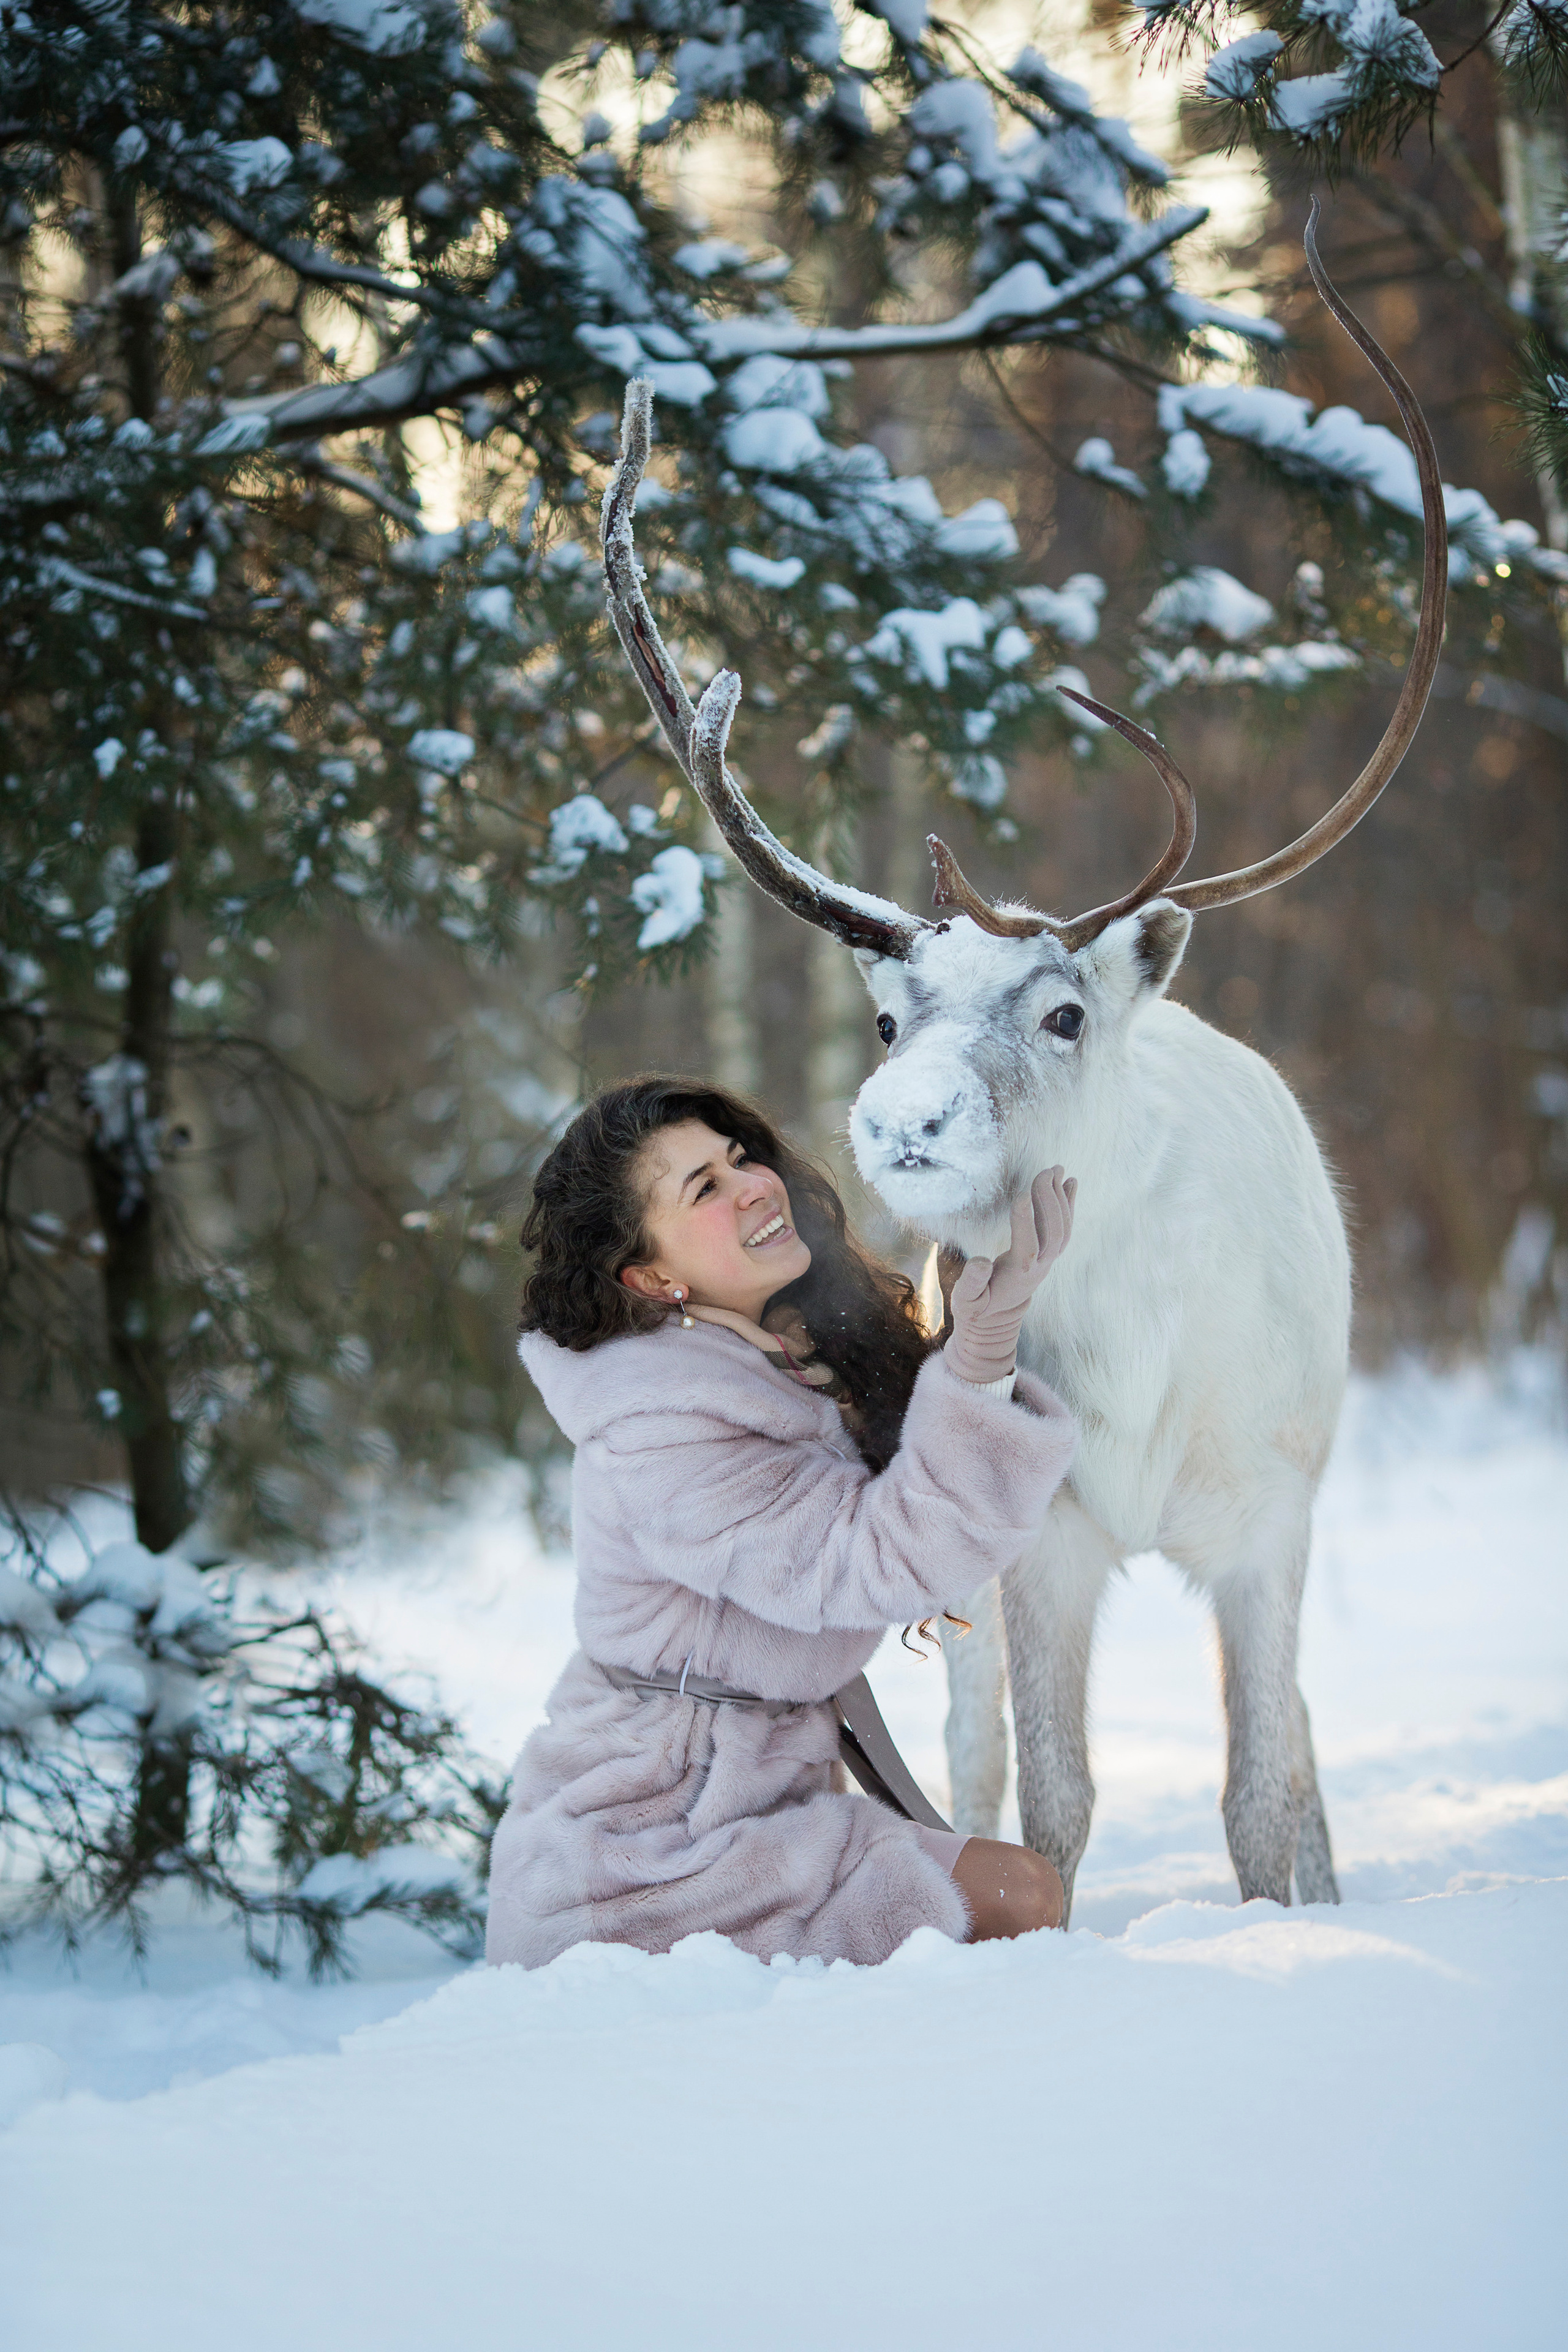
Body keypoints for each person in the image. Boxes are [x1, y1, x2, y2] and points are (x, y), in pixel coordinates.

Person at [486, 1075, 1079, 1970]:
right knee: (1018, 1899)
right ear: (653, 1277)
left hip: (750, 1813)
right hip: (638, 1864)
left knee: (1016, 1902)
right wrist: (981, 1358)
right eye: (705, 1190)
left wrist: (976, 1345)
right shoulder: (659, 1429)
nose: (752, 1183)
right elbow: (882, 1556)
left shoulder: (775, 1356)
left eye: (738, 1159)